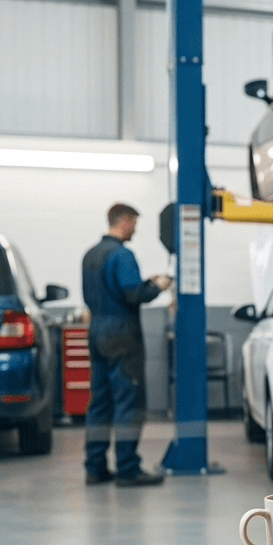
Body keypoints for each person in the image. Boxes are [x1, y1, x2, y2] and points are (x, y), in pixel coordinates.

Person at [81, 203, 171, 486]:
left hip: (96, 331)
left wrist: (145, 283)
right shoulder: (122, 255)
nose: (135, 229)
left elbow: (110, 291)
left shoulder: (90, 255)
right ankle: (127, 469)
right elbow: (132, 294)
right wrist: (158, 286)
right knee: (127, 402)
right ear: (124, 221)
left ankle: (95, 468)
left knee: (99, 402)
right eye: (133, 223)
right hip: (122, 334)